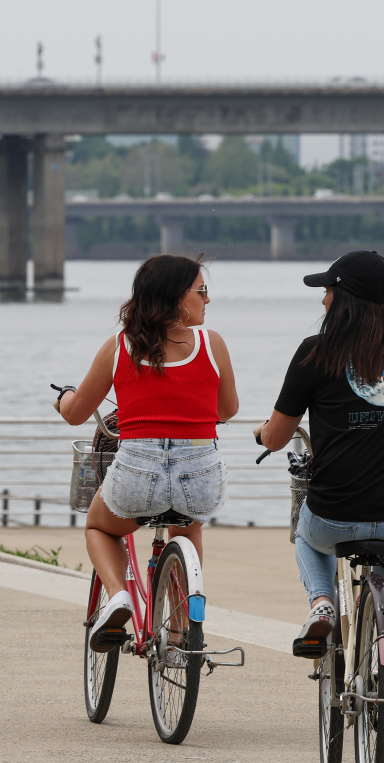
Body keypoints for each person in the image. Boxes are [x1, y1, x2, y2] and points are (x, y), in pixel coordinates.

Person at [254, 250, 384, 760]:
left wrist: (263, 437)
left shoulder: (316, 352)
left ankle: (321, 602)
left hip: (336, 516)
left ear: (344, 298)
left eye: (327, 290)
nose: (324, 298)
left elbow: (278, 432)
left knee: (305, 535)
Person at [55, 255, 239, 653]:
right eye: (202, 291)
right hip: (199, 475)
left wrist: (64, 397)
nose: (208, 300)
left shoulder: (118, 347)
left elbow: (74, 415)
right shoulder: (213, 345)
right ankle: (179, 634)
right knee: (187, 527)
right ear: (176, 299)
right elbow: (228, 411)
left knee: (100, 528)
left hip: (137, 474)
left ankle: (119, 596)